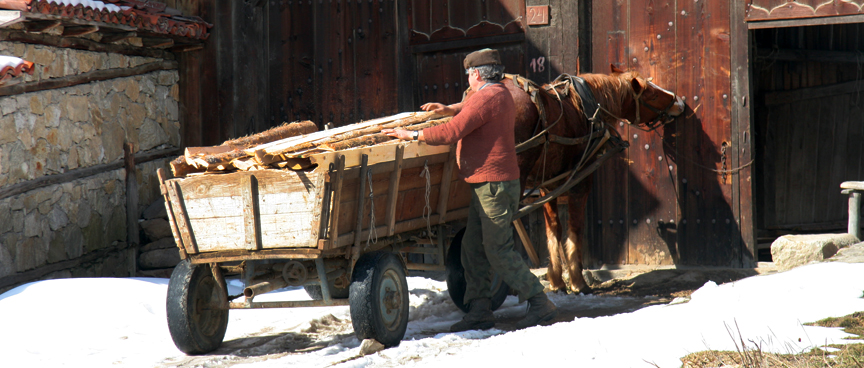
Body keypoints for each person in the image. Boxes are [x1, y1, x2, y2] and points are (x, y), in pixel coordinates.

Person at [383, 48, 557, 331]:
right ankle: (480, 310)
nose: (467, 79)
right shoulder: (498, 92)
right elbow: (474, 107)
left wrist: (413, 134)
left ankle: (540, 303)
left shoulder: (487, 97)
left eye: (468, 74)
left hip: (494, 187)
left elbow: (451, 132)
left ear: (476, 74)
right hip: (486, 184)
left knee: (498, 250)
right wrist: (451, 108)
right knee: (473, 248)